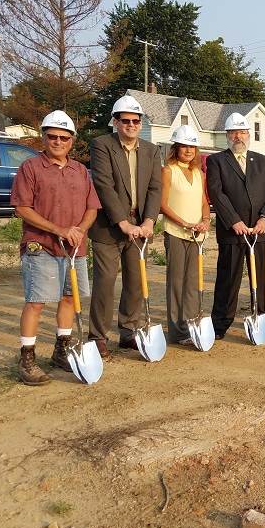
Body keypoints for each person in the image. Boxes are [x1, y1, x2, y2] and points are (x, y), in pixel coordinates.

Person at [10, 111, 101, 385]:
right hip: (43, 246)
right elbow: (22, 208)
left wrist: (79, 230)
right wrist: (59, 230)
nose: (58, 141)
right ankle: (27, 358)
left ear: (72, 141)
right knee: (36, 302)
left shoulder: (81, 170)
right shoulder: (31, 168)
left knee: (69, 300)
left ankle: (62, 349)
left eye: (63, 137)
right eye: (52, 136)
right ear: (44, 137)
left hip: (75, 247)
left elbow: (92, 208)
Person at [88, 94, 162, 356]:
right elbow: (103, 185)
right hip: (109, 225)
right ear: (115, 121)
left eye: (136, 120)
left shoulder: (151, 150)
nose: (131, 125)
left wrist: (150, 220)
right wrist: (122, 222)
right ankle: (97, 335)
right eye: (125, 120)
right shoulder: (101, 145)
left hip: (140, 224)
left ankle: (128, 330)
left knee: (135, 281)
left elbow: (155, 187)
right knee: (105, 281)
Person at [206, 112, 265, 339]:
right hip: (232, 230)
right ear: (227, 135)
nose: (238, 137)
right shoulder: (216, 161)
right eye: (234, 133)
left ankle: (260, 317)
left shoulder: (262, 160)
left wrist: (264, 218)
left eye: (242, 132)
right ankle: (220, 321)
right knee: (228, 276)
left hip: (259, 231)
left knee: (258, 275)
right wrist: (234, 220)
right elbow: (216, 193)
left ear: (249, 134)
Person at [159, 125, 211, 346]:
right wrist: (182, 222)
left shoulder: (200, 174)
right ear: (176, 148)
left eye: (192, 146)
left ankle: (191, 325)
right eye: (184, 146)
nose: (188, 150)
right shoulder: (168, 170)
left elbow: (203, 203)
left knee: (193, 281)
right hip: (176, 232)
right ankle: (177, 331)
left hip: (196, 234)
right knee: (177, 281)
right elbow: (161, 203)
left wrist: (206, 221)